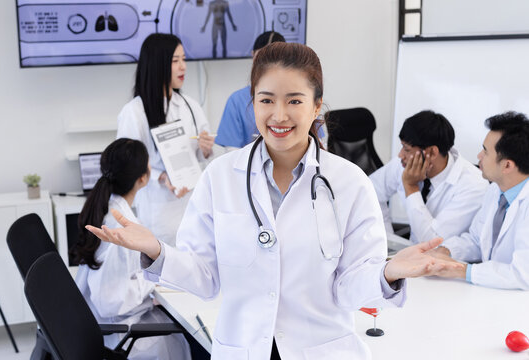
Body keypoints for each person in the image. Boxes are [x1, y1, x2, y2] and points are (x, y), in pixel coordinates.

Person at [87, 43, 463, 359]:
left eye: (294, 101)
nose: (279, 115)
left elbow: (349, 288)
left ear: (317, 107)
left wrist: (389, 271)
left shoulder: (349, 184)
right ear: (253, 104)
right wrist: (156, 250)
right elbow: (206, 278)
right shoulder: (220, 177)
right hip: (244, 348)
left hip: (321, 349)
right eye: (266, 100)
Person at [71, 138, 191, 360]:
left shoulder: (110, 208)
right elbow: (110, 301)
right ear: (143, 179)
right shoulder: (119, 226)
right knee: (190, 337)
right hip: (122, 333)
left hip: (115, 322)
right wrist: (152, 282)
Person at [117, 33, 214, 246]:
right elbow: (129, 164)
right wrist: (162, 177)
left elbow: (202, 156)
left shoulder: (190, 105)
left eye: (184, 60)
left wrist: (206, 149)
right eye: (175, 61)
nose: (183, 67)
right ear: (158, 64)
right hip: (158, 213)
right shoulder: (134, 112)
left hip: (192, 207)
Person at [429, 112, 529, 290]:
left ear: (507, 165)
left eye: (486, 151)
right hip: (492, 293)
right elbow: (476, 239)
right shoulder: (496, 189)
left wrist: (462, 271)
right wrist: (447, 251)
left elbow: (522, 274)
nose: (479, 156)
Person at [370, 110, 489, 243]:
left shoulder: (474, 185)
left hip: (447, 259)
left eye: (407, 149)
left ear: (432, 152)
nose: (400, 155)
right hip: (408, 254)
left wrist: (411, 187)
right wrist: (386, 238)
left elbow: (432, 242)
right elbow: (371, 192)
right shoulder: (404, 164)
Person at [215, 31, 286, 149]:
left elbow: (315, 143)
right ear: (252, 55)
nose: (266, 65)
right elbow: (232, 153)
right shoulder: (237, 101)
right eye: (261, 57)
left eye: (273, 59)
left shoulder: (299, 99)